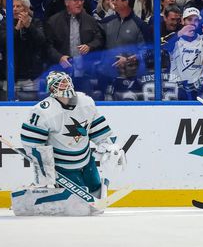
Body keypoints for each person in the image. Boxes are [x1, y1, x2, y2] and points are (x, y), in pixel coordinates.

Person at [18, 71, 126, 215]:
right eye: (60, 83)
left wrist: (109, 146)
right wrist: (45, 169)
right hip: (63, 166)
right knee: (78, 205)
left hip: (87, 160)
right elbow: (32, 143)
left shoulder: (86, 102)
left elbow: (97, 128)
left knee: (95, 188)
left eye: (66, 81)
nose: (65, 85)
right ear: (52, 89)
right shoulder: (43, 111)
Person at [45, 0, 104, 95]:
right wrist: (59, 57)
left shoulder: (90, 20)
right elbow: (48, 46)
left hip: (85, 73)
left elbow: (99, 39)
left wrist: (90, 46)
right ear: (67, 2)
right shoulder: (54, 21)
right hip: (62, 75)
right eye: (75, 0)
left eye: (81, 0)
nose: (79, 3)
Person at [163, 7, 203, 100]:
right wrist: (180, 33)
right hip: (178, 87)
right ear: (182, 21)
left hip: (199, 87)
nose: (192, 22)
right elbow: (162, 46)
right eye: (189, 19)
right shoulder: (175, 38)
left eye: (195, 20)